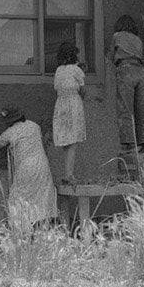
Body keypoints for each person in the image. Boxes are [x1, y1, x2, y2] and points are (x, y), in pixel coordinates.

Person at [0, 106, 58, 226]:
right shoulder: (34, 126)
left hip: (26, 167)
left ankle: (22, 227)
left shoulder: (10, 132)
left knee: (18, 196)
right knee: (42, 194)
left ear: (9, 121)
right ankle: (42, 226)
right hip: (42, 164)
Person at [106, 14, 144, 155]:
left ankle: (129, 144)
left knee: (125, 108)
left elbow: (110, 56)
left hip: (126, 70)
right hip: (141, 72)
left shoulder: (117, 36)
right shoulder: (138, 40)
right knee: (142, 109)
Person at [52, 41, 87, 186]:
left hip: (61, 104)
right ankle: (69, 175)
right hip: (73, 103)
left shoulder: (59, 70)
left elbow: (56, 87)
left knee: (66, 141)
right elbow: (82, 89)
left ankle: (67, 172)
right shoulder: (76, 70)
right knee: (73, 141)